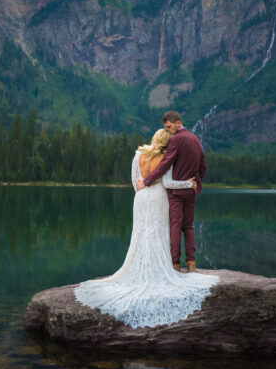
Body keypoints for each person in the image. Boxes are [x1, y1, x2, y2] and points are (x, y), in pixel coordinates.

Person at [73, 128, 218, 328]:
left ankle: (139, 266)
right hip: (159, 197)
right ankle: (162, 266)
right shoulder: (166, 157)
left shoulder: (138, 155)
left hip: (140, 198)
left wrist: (142, 191)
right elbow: (167, 182)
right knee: (158, 232)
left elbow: (135, 182)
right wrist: (188, 183)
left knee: (141, 233)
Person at [135, 111, 206, 272]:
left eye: (169, 126)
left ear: (178, 123)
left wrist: (146, 181)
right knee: (188, 226)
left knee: (175, 226)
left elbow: (164, 165)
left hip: (176, 192)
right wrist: (197, 184)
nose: (168, 130)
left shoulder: (175, 140)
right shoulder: (195, 139)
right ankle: (191, 263)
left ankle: (175, 264)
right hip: (190, 192)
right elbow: (203, 165)